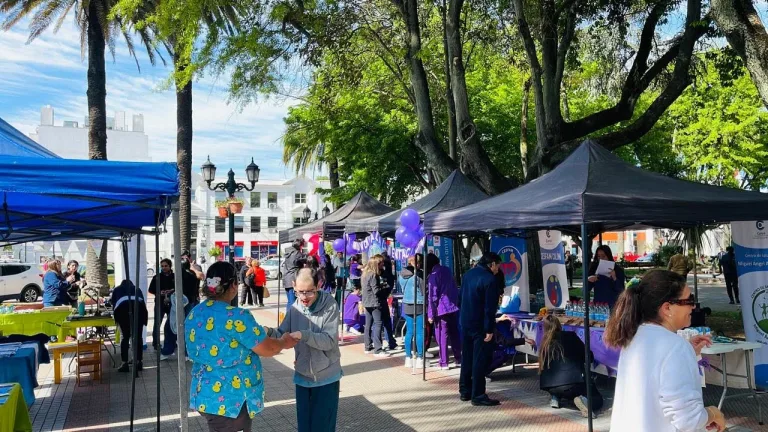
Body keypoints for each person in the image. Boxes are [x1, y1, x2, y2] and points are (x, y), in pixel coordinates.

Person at [604, 270, 726, 432]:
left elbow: (655, 373)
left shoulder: (635, 336)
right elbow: (689, 419)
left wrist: (688, 352)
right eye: (689, 300)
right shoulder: (675, 347)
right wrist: (713, 413)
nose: (693, 306)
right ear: (667, 308)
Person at [187, 261, 298, 432]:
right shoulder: (236, 316)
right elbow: (268, 349)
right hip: (231, 400)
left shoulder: (196, 312)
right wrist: (284, 342)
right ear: (233, 284)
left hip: (206, 394)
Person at [266, 268, 342, 432]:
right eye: (300, 292)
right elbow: (282, 333)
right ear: (293, 286)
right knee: (304, 427)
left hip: (326, 377)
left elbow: (329, 341)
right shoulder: (295, 307)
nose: (304, 297)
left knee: (322, 428)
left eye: (310, 292)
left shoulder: (330, 305)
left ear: (318, 285)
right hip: (302, 377)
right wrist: (267, 332)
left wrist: (304, 335)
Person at [459, 252, 503, 406]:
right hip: (480, 325)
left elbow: (460, 298)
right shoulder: (490, 279)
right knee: (479, 359)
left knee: (467, 357)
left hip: (466, 321)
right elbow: (490, 308)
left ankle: (465, 390)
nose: (498, 269)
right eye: (498, 266)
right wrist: (489, 329)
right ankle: (478, 394)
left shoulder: (468, 275)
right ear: (492, 264)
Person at [537, 314, 602, 417]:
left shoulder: (544, 344)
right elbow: (588, 357)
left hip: (550, 387)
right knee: (597, 398)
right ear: (559, 324)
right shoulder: (570, 336)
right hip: (572, 384)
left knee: (564, 386)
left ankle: (555, 397)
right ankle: (585, 401)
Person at [426, 253, 462, 370]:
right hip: (452, 306)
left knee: (442, 335)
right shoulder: (447, 270)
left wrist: (430, 314)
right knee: (454, 333)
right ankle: (458, 358)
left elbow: (432, 297)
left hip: (441, 309)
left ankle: (443, 362)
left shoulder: (433, 276)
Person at [362, 254, 397, 356]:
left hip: (367, 302)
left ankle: (368, 346)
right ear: (376, 264)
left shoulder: (365, 273)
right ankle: (378, 349)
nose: (383, 265)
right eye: (381, 263)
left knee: (368, 324)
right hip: (375, 302)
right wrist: (384, 289)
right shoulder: (373, 275)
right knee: (378, 323)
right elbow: (376, 290)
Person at [110, 280, 148, 373]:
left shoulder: (117, 289)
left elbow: (113, 303)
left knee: (125, 337)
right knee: (138, 337)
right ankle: (138, 362)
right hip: (139, 311)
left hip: (123, 312)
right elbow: (143, 303)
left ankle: (125, 363)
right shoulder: (137, 289)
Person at [400, 255, 425, 368]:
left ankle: (408, 358)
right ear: (417, 263)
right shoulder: (419, 275)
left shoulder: (402, 274)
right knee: (419, 332)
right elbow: (424, 290)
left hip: (406, 303)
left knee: (409, 331)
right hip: (419, 303)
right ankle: (420, 358)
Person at [148, 259, 175, 358]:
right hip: (160, 302)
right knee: (157, 323)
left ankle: (172, 343)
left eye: (166, 266)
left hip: (172, 302)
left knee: (172, 323)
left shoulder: (174, 276)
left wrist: (172, 291)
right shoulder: (157, 277)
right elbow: (151, 289)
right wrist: (160, 292)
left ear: (170, 266)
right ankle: (156, 343)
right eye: (162, 266)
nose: (164, 268)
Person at [283, 239, 307, 312]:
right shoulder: (297, 254)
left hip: (286, 279)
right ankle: (291, 316)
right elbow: (306, 259)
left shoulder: (288, 252)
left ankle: (288, 315)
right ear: (300, 246)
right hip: (293, 279)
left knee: (290, 301)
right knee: (293, 302)